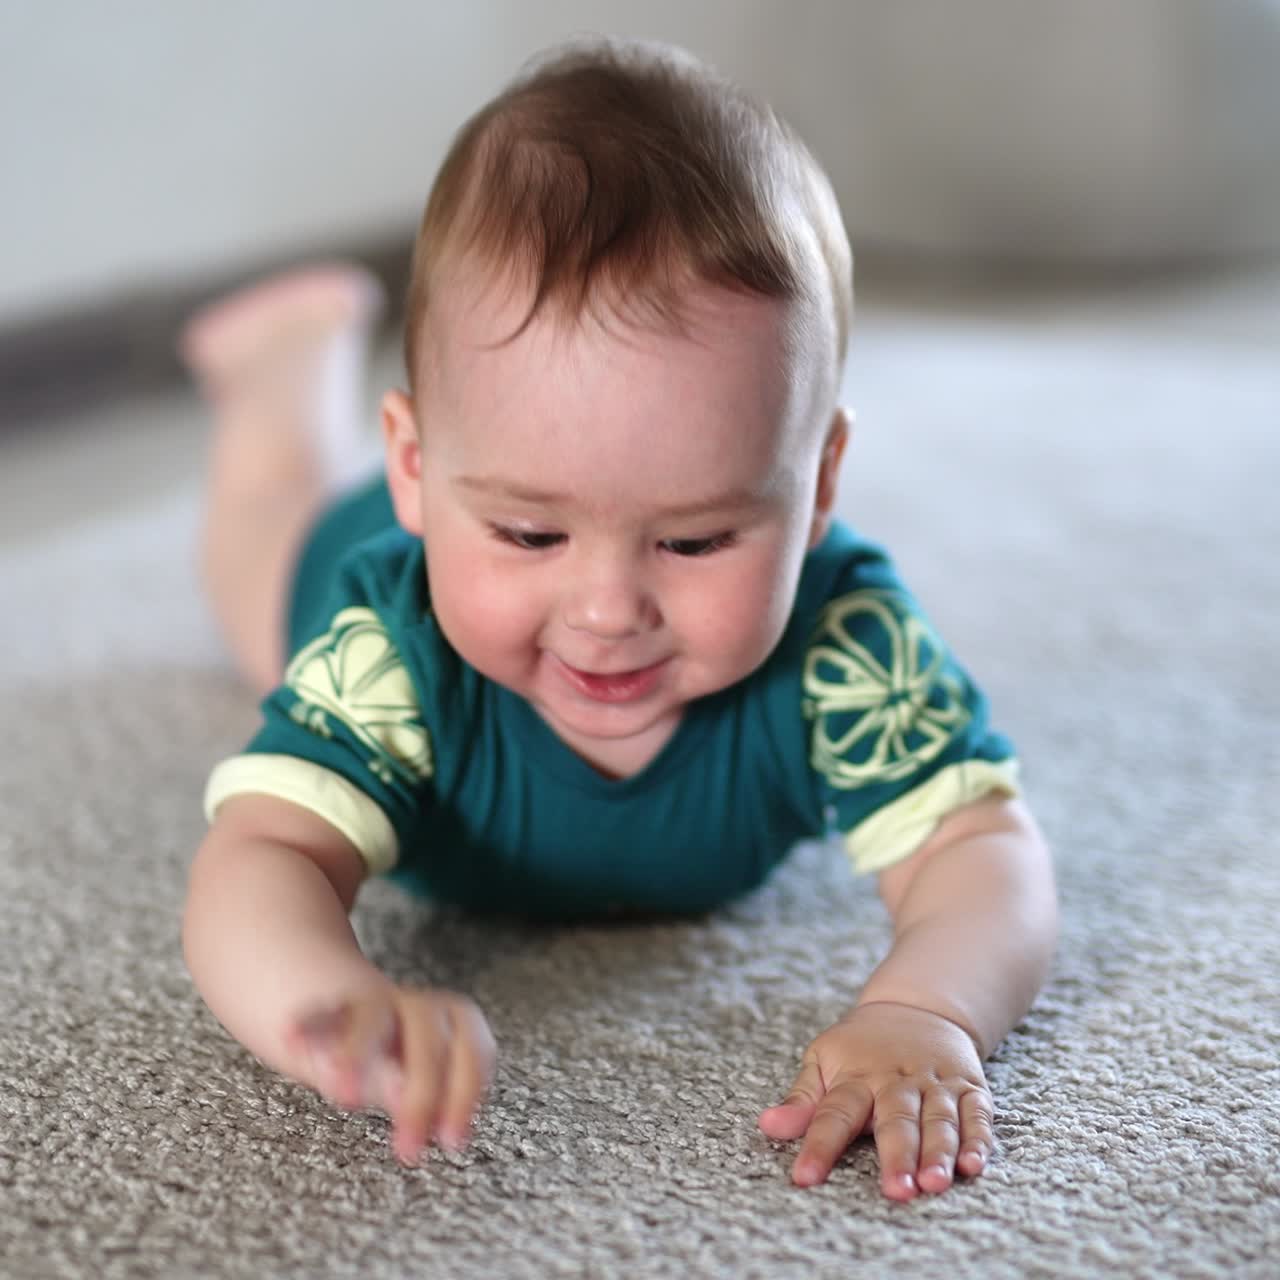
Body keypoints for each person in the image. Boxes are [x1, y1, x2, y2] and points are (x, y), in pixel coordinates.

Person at [180, 37, 1058, 1204]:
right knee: (255, 563)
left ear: (818, 483)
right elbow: (257, 858)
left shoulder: (844, 644)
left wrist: (923, 1008)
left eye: (693, 540)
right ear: (416, 464)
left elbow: (981, 848)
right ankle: (278, 388)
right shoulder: (390, 647)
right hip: (356, 548)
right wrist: (325, 1000)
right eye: (532, 535)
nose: (607, 611)